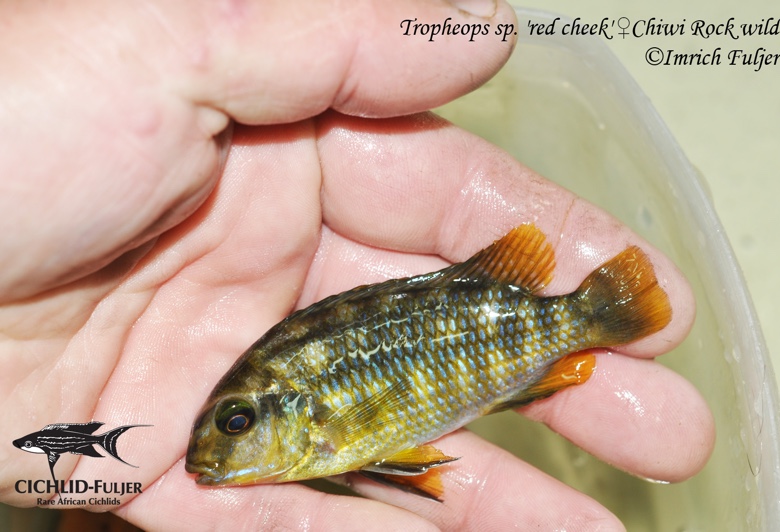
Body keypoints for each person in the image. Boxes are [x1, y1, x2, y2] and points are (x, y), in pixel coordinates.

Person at [0, 1, 713, 529]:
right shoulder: (308, 433)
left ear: (292, 411)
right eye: (231, 422)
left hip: (501, 326)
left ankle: (589, 317)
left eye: (237, 421)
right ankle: (584, 320)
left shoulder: (321, 425)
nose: (218, 444)